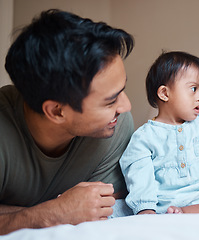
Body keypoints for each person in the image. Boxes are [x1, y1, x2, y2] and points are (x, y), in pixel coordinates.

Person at [0, 9, 134, 234]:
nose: (126, 106)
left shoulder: (116, 127)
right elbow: (66, 212)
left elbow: (97, 211)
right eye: (110, 101)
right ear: (57, 111)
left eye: (122, 90)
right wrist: (52, 213)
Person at [119, 51, 199, 214]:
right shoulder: (144, 137)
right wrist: (145, 209)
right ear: (164, 93)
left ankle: (188, 211)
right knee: (118, 208)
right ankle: (172, 212)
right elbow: (139, 176)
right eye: (193, 89)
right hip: (165, 200)